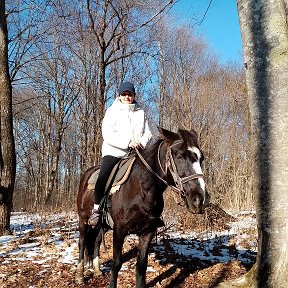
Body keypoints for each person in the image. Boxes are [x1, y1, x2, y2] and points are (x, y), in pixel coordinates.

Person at [88, 81, 152, 226]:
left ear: (134, 95)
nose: (127, 97)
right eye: (124, 94)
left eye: (130, 94)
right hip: (114, 151)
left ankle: (150, 211)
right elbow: (108, 134)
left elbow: (148, 132)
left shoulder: (141, 112)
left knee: (151, 176)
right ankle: (97, 210)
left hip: (136, 153)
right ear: (120, 96)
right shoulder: (112, 111)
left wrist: (140, 142)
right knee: (103, 177)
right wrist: (128, 142)